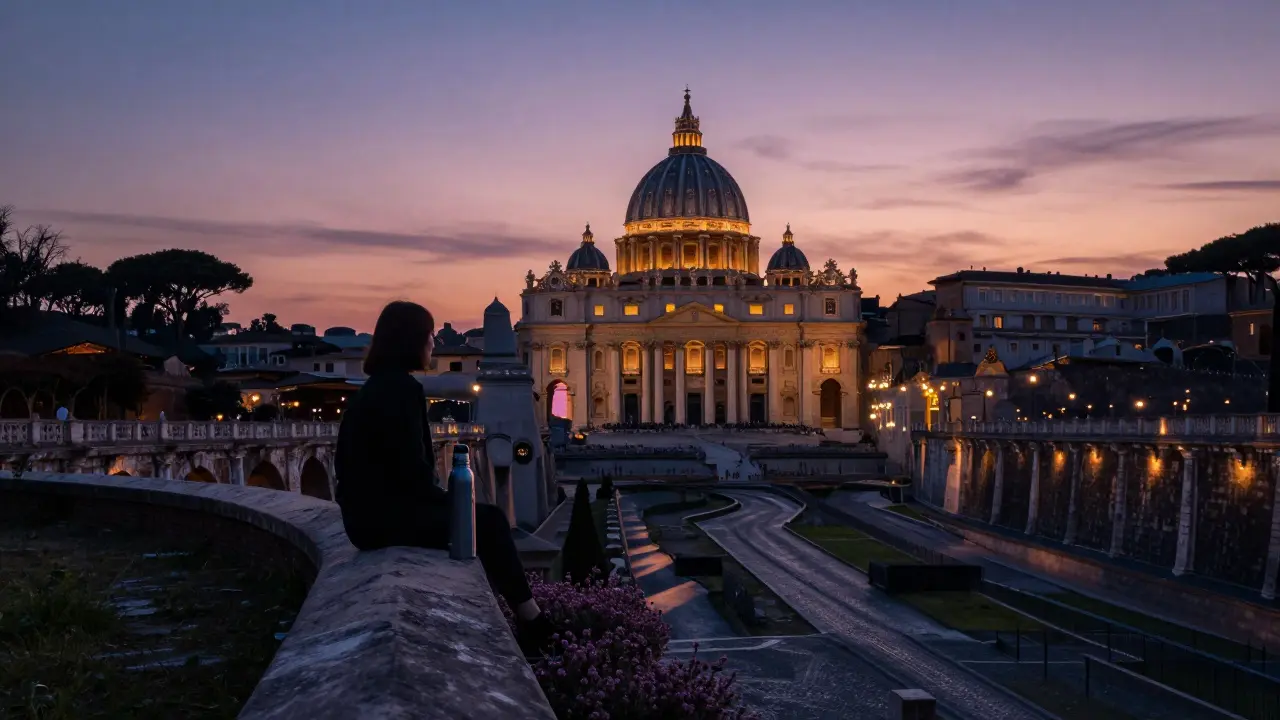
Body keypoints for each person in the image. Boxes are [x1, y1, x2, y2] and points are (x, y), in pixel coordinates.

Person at [335, 300, 553, 655]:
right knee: (493, 522)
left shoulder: (375, 388)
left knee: (483, 519)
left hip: (364, 518)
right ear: (412, 341)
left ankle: (532, 620)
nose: (434, 343)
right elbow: (411, 471)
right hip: (381, 521)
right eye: (429, 335)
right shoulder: (403, 390)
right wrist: (452, 503)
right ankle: (532, 621)